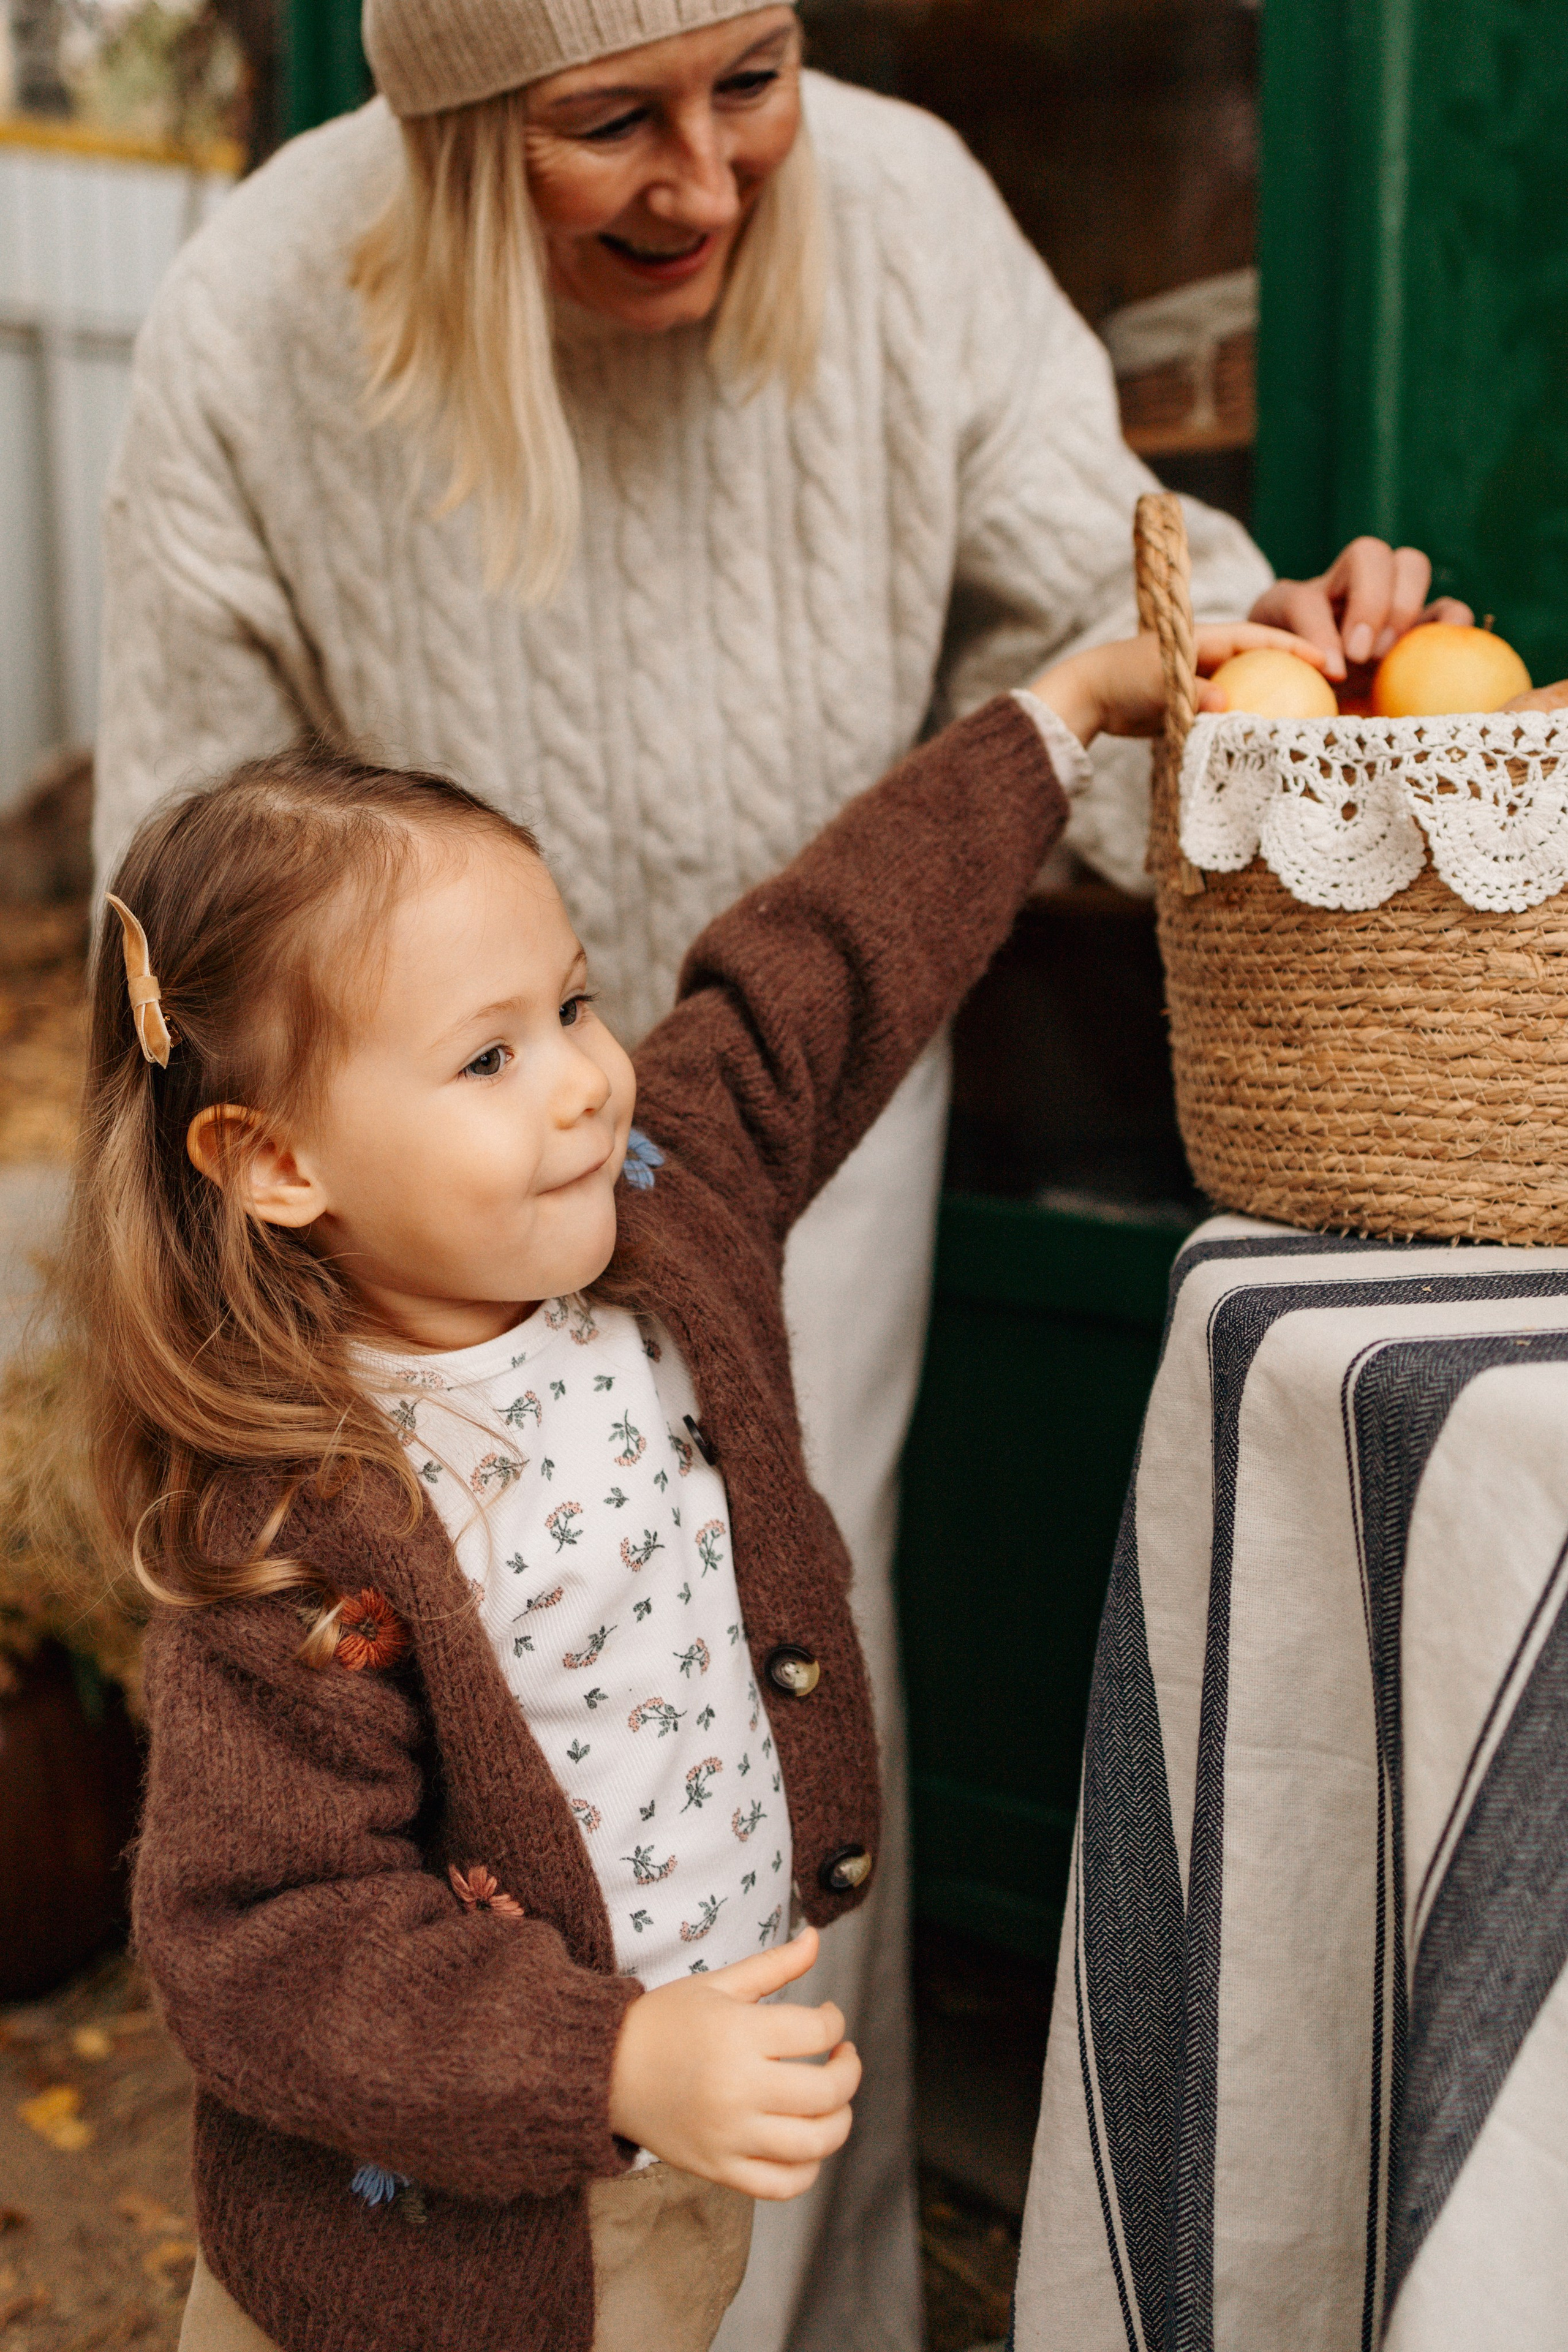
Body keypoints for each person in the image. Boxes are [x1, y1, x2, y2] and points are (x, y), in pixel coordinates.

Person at [90, 4, 1464, 2337]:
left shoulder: (914, 217)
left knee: (759, 1699)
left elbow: (825, 952)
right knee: (465, 1788)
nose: (706, 183)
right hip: (362, 1229)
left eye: (756, 82)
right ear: (437, 128)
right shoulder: (253, 310)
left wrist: (1186, 677)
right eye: (607, 121)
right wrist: (589, 2052)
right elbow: (190, 889)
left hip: (722, 1144)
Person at [77, 625, 1322, 2352]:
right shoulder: (296, 1523)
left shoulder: (667, 1202)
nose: (589, 1078)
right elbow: (267, 1943)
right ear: (278, 1160)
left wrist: (1061, 719)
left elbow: (819, 962)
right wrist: (613, 2059)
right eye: (488, 1057)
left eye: (573, 1002)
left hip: (661, 2196)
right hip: (411, 2284)